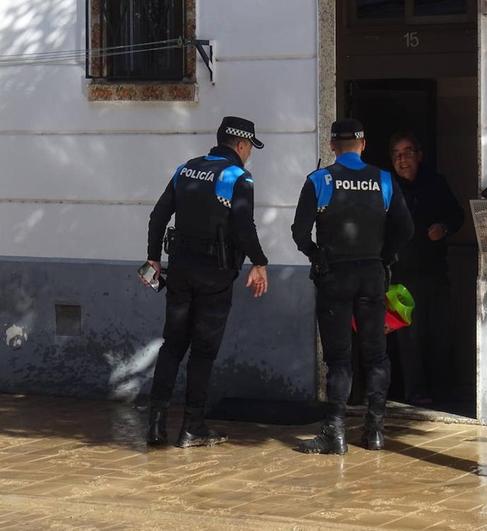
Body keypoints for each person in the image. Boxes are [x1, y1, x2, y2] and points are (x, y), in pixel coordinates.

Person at [142, 116, 269, 448]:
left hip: (180, 271)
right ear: (241, 145)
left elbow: (158, 216)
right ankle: (192, 427)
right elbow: (244, 226)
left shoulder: (185, 170)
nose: (249, 154)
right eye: (249, 148)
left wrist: (153, 257)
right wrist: (260, 261)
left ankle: (155, 426)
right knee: (202, 352)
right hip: (215, 276)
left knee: (172, 346)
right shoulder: (238, 176)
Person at [291, 118, 413, 454]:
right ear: (363, 145)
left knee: (339, 359)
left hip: (335, 276)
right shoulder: (384, 179)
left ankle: (335, 433)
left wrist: (318, 257)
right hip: (372, 275)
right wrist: (383, 257)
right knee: (376, 355)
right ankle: (374, 431)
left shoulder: (319, 180)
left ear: (332, 146)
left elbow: (299, 233)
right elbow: (406, 228)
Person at [388, 131, 464, 405]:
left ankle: (443, 390)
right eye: (396, 155)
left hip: (434, 271)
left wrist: (444, 228)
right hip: (401, 275)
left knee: (439, 331)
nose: (402, 159)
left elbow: (457, 215)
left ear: (419, 155)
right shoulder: (388, 187)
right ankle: (414, 393)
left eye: (407, 152)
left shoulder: (435, 183)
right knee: (408, 336)